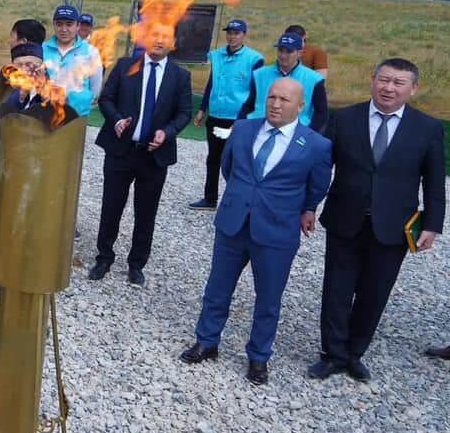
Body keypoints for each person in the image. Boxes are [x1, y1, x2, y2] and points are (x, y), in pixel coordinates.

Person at [180, 79, 332, 385]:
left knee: (268, 298)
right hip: (233, 223)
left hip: (277, 231)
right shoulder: (244, 129)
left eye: (284, 100)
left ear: (300, 106)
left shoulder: (316, 145)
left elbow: (317, 187)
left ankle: (259, 356)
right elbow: (228, 168)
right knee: (217, 288)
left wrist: (302, 209)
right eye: (272, 97)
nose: (275, 104)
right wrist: (243, 196)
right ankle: (207, 341)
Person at [309, 58, 445, 382]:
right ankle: (333, 354)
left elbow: (434, 181)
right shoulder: (345, 118)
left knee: (375, 292)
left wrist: (432, 225)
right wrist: (308, 205)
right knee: (337, 289)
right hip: (345, 218)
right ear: (373, 80)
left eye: (398, 83)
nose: (389, 88)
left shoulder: (427, 128)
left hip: (394, 226)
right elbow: (321, 167)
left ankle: (355, 353)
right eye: (384, 80)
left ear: (413, 88)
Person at [90, 22, 192, 285]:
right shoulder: (126, 66)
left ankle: (136, 264)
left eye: (165, 36)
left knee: (146, 212)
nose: (159, 40)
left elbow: (184, 113)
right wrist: (116, 119)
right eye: (154, 35)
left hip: (154, 156)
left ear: (173, 43)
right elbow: (106, 98)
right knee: (111, 206)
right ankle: (104, 257)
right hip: (121, 151)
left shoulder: (180, 76)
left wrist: (167, 132)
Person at [0, 41, 45, 333]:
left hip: (37, 186)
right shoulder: (3, 96)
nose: (27, 69)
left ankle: (28, 302)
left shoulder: (53, 96)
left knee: (31, 244)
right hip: (2, 179)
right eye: (21, 64)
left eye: (33, 64)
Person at [189, 19, 265, 211]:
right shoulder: (216, 55)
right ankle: (210, 198)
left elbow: (255, 91)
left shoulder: (254, 59)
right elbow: (211, 83)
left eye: (236, 33)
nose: (232, 36)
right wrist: (202, 109)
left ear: (244, 35)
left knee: (236, 161)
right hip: (216, 114)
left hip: (237, 118)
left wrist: (243, 119)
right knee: (213, 158)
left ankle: (237, 201)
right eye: (229, 33)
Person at [239, 32, 328, 132]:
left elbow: (321, 113)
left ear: (300, 53)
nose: (283, 55)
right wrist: (239, 126)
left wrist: (309, 135)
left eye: (289, 51)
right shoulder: (259, 74)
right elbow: (249, 105)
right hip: (258, 129)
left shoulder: (314, 79)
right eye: (280, 50)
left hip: (295, 133)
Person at [42, 4, 103, 119]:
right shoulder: (42, 49)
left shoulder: (91, 52)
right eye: (59, 24)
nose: (64, 29)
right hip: (45, 114)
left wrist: (80, 102)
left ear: (78, 26)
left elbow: (95, 89)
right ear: (54, 25)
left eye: (69, 24)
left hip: (77, 116)